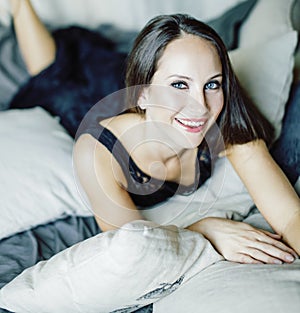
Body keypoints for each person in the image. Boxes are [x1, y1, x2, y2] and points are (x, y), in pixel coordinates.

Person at [9, 0, 300, 264]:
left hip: (139, 88)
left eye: (212, 84)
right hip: (75, 106)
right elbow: (134, 250)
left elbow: (290, 217)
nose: (200, 105)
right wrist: (204, 229)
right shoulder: (97, 153)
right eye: (179, 86)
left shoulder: (223, 113)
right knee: (54, 75)